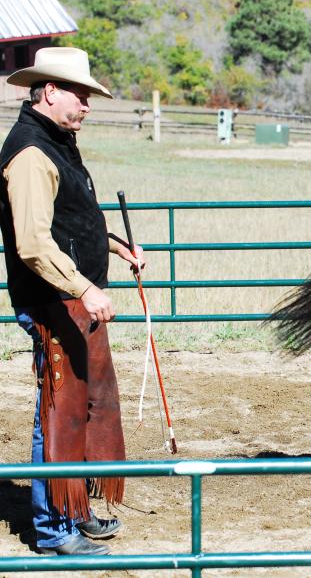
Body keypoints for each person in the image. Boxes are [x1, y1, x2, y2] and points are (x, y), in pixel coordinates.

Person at [0, 47, 144, 556]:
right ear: (50, 90)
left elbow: (72, 220)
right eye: (80, 93)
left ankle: (73, 513)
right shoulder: (30, 154)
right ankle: (52, 530)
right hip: (51, 302)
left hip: (72, 301)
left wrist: (114, 244)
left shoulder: (59, 144)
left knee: (79, 407)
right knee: (59, 412)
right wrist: (85, 287)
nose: (86, 104)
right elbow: (34, 245)